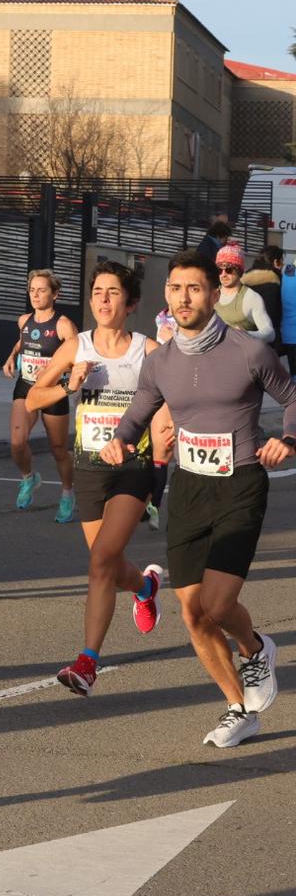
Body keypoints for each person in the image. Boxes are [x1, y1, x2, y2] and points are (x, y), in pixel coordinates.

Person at [102, 249, 296, 748]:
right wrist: (120, 438)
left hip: (240, 484)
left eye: (193, 288)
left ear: (213, 293)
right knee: (192, 613)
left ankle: (255, 649)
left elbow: (292, 397)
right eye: (174, 288)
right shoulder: (161, 361)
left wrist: (288, 439)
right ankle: (238, 708)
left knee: (216, 602)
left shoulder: (249, 352)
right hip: (188, 488)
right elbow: (139, 411)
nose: (182, 297)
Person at [26, 262, 169, 694]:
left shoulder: (148, 351)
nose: (103, 300)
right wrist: (69, 386)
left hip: (132, 469)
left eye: (112, 293)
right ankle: (146, 586)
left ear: (131, 303)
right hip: (89, 468)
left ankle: (87, 663)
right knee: (106, 565)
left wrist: (163, 447)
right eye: (98, 292)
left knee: (99, 561)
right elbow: (34, 396)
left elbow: (170, 404)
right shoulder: (77, 347)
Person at [1, 269, 77, 521]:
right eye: (32, 289)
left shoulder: (63, 325)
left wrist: (63, 372)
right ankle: (28, 478)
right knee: (16, 442)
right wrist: (11, 357)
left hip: (52, 392)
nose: (35, 294)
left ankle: (67, 494)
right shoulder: (24, 320)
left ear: (55, 294)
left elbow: (77, 356)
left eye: (41, 290)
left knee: (58, 449)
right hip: (26, 386)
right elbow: (22, 343)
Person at [212, 241, 275, 343]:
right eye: (219, 270)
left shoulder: (251, 298)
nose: (223, 274)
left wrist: (246, 334)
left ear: (240, 271)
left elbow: (270, 333)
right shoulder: (211, 294)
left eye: (229, 270)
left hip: (240, 356)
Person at [242, 244, 283, 349]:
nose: (283, 265)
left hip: (246, 332)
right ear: (275, 262)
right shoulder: (276, 281)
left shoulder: (245, 277)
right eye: (281, 261)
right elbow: (274, 312)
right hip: (268, 336)